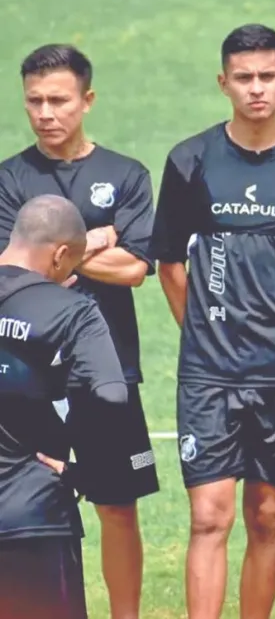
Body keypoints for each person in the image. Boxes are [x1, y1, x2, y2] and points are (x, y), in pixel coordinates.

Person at [149, 24, 275, 619]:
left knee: (267, 517)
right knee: (208, 516)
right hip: (209, 376)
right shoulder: (190, 160)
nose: (256, 89)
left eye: (267, 77)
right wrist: (207, 333)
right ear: (224, 83)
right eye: (244, 78)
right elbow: (167, 264)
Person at [0, 43, 158, 619]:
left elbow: (136, 269)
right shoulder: (8, 177)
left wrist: (54, 254)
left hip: (106, 369)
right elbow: (8, 265)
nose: (46, 113)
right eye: (34, 101)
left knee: (117, 505)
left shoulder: (126, 175)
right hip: (23, 379)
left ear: (87, 100)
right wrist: (94, 241)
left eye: (58, 100)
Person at [0, 194, 129, 619]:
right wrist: (83, 474)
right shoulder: (73, 311)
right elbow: (111, 394)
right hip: (32, 511)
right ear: (60, 255)